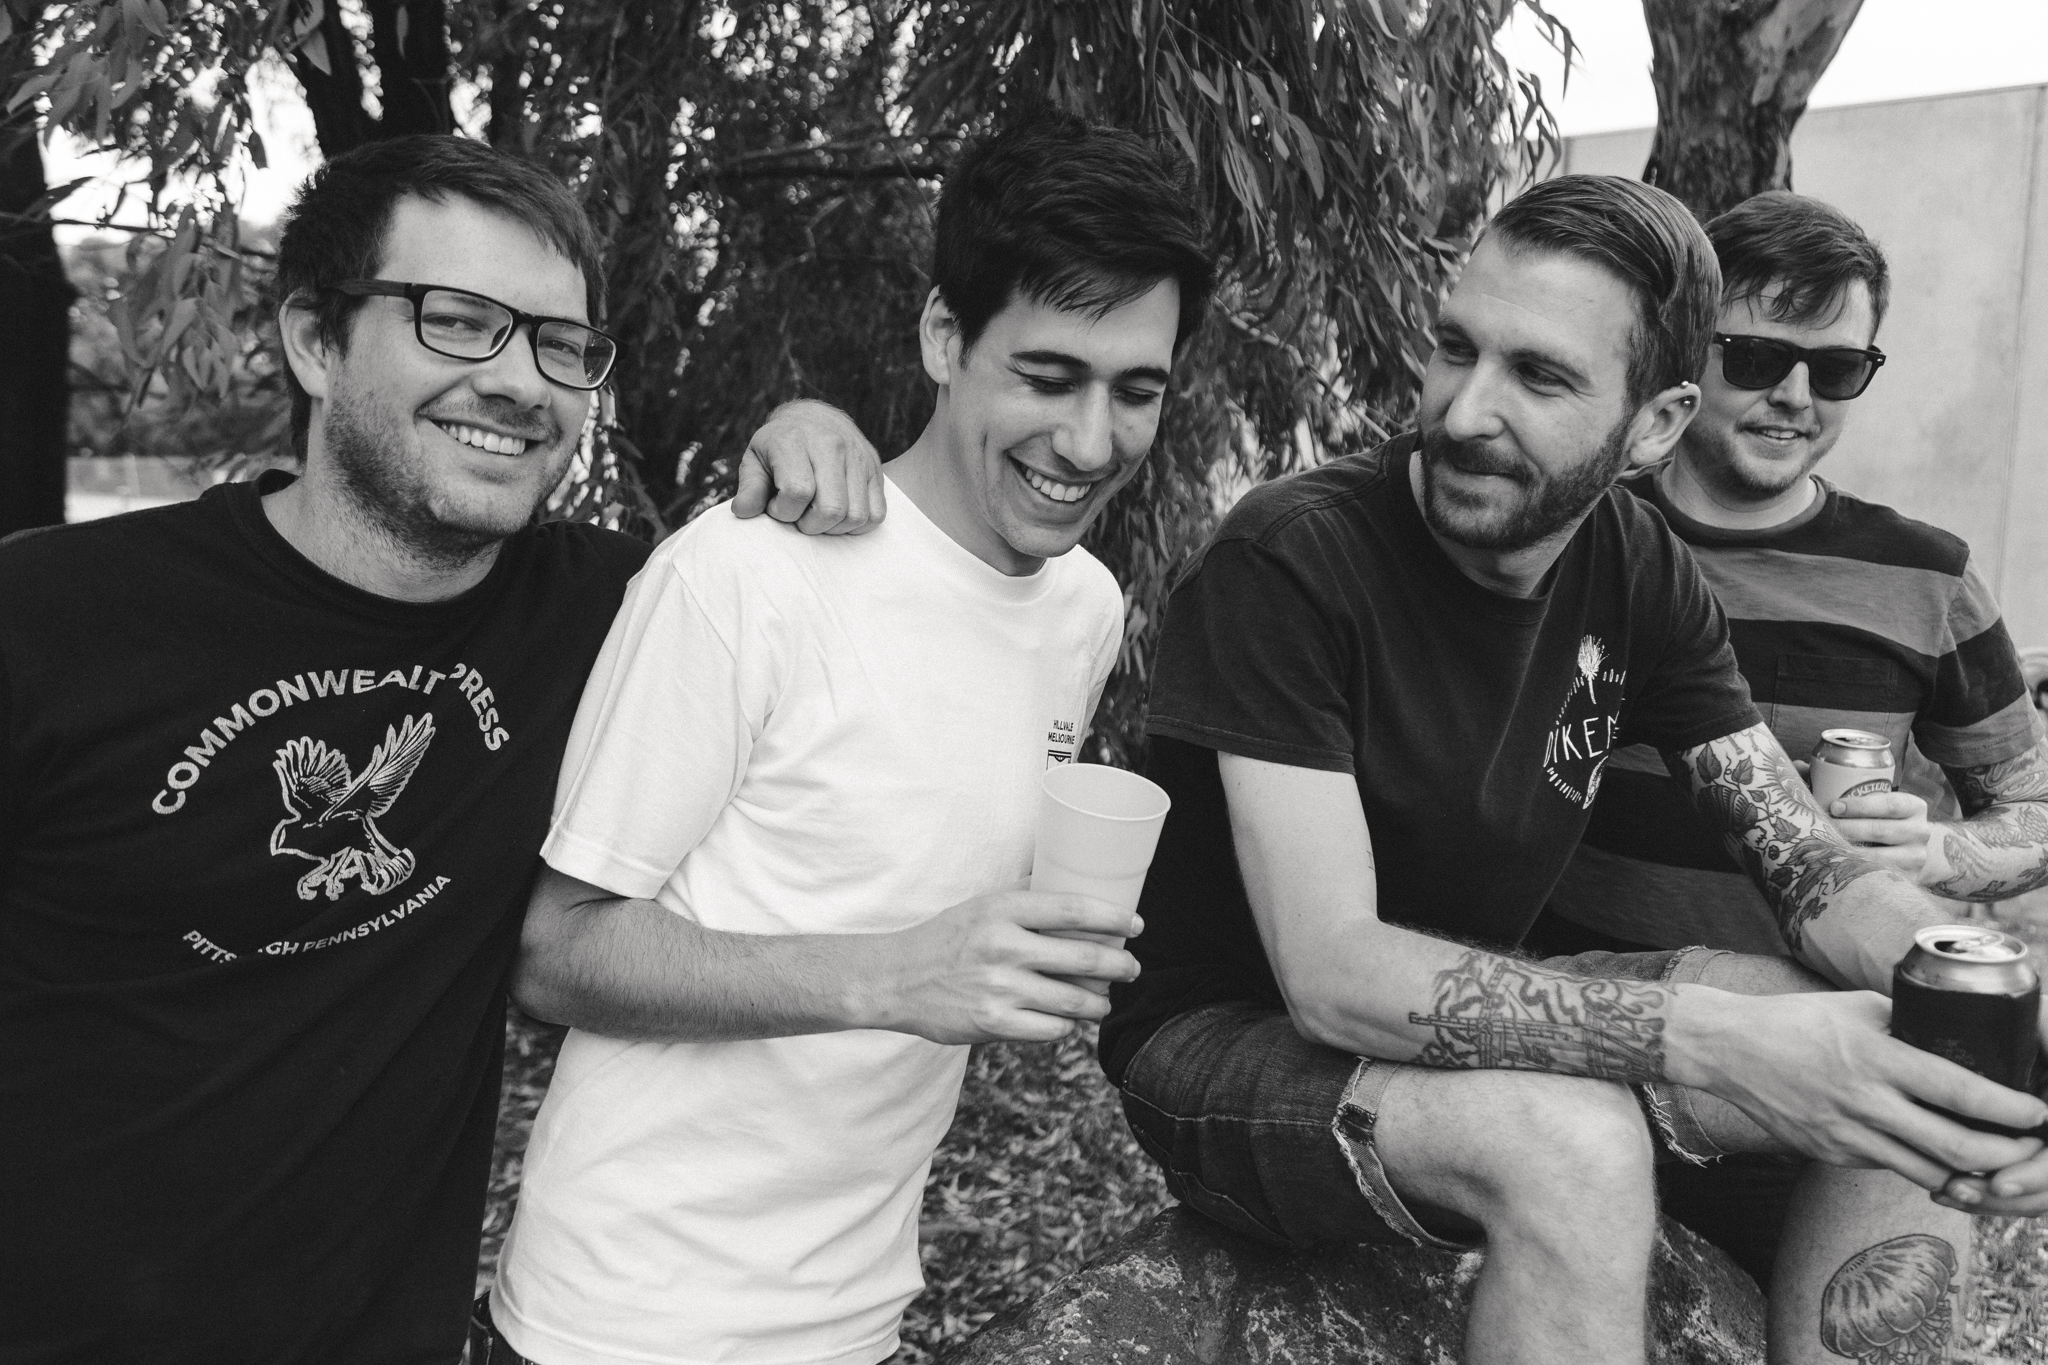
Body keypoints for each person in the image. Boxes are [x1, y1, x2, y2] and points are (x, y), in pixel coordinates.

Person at [1099, 174, 2048, 1365]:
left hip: (1469, 1003)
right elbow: (1330, 975)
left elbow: (1805, 864)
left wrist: (1996, 1033)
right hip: (1228, 1044)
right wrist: (1722, 1040)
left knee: (1904, 1055)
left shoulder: (1634, 561)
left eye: (1538, 377)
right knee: (1571, 1146)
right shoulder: (1291, 558)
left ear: (1653, 423)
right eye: (1455, 350)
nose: (1462, 413)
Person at [0, 133, 880, 1365]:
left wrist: (806, 421)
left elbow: (786, 603)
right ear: (316, 341)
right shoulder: (49, 620)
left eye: (561, 345)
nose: (521, 383)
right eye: (458, 322)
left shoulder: (611, 615)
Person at [479, 110, 1213, 1365]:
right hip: (624, 1322)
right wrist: (894, 977)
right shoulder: (746, 575)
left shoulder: (1085, 609)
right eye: (1046, 377)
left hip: (857, 1316)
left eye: (1133, 391)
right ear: (943, 338)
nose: (1090, 443)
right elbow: (555, 952)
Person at [1525, 188, 2048, 1300]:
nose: (1795, 397)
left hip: (1830, 1095)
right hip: (1589, 1054)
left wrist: (1937, 852)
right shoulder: (1574, 535)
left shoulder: (1927, 577)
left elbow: (2034, 812)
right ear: (1687, 352)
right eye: (1757, 356)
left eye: (1838, 368)